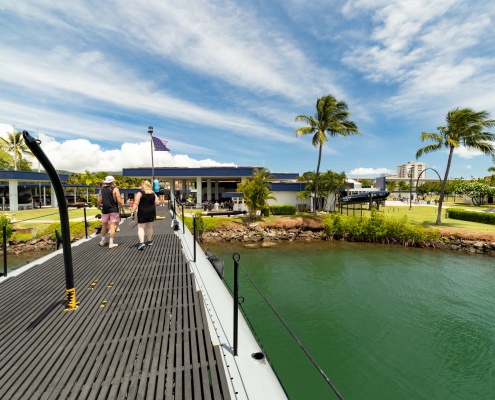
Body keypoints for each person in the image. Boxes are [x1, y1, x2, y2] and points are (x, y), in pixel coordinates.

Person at [131, 180, 159, 251]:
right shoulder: (153, 193)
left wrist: (132, 212)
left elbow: (136, 203)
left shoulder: (140, 193)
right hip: (151, 211)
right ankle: (149, 241)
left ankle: (141, 242)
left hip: (142, 212)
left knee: (141, 227)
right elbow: (157, 203)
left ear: (143, 186)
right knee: (149, 227)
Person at [97, 175, 123, 249]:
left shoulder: (102, 190)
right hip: (113, 209)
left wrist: (98, 206)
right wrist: (122, 208)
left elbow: (99, 200)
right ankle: (111, 243)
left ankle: (102, 241)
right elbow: (119, 200)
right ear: (112, 181)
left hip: (105, 209)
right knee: (112, 226)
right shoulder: (115, 189)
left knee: (104, 225)